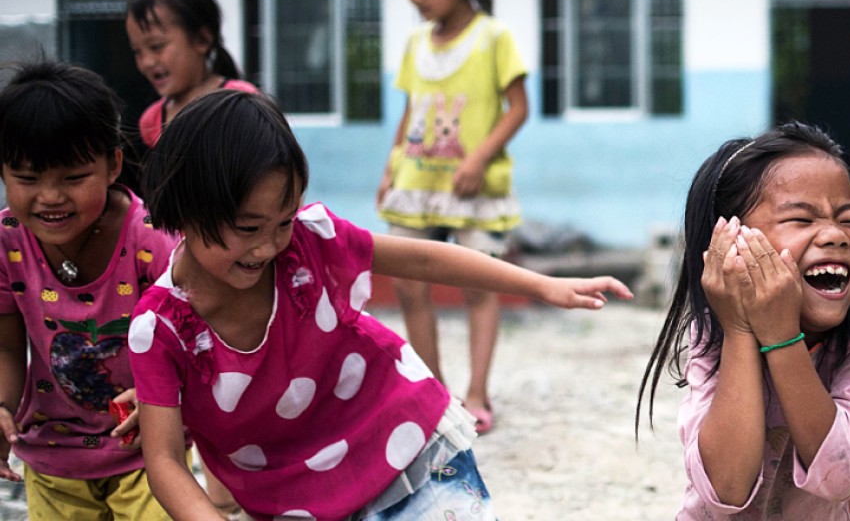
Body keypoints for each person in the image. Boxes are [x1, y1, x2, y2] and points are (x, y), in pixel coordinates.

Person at [130, 90, 632, 520]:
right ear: (186, 206)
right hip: (296, 502)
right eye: (248, 229)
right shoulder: (159, 330)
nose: (268, 246)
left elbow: (426, 260)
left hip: (410, 444)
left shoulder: (311, 240)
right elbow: (167, 462)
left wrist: (540, 284)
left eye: (281, 222)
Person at [637, 122, 850, 520]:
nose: (834, 235)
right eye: (801, 220)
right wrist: (741, 330)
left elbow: (841, 477)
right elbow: (726, 489)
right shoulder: (717, 328)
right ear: (730, 243)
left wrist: (782, 338)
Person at [0, 61, 177, 519]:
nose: (50, 196)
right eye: (27, 178)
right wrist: (0, 407)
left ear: (113, 163)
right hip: (53, 459)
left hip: (149, 455)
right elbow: (5, 347)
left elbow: (190, 337)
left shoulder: (150, 240)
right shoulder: (7, 242)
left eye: (73, 178)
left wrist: (157, 392)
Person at [376, 0, 529, 434]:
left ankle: (478, 392)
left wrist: (478, 158)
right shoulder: (416, 44)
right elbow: (410, 112)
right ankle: (435, 392)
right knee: (407, 283)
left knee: (480, 287)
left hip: (475, 188)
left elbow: (518, 108)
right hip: (417, 183)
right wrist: (390, 167)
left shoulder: (494, 37)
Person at [125, 0, 258, 149]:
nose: (147, 62)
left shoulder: (241, 101)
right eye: (137, 52)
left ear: (202, 40)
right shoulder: (152, 120)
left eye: (157, 47)